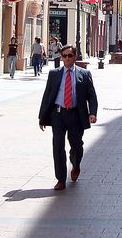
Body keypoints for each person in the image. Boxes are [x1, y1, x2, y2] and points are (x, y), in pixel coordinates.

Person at [38, 45, 98, 190]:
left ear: (75, 57)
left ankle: (76, 165)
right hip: (58, 114)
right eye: (64, 56)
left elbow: (92, 96)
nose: (67, 58)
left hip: (76, 115)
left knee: (77, 146)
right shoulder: (54, 73)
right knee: (58, 146)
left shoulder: (84, 74)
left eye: (69, 56)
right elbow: (47, 96)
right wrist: (42, 117)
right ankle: (61, 179)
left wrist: (93, 113)